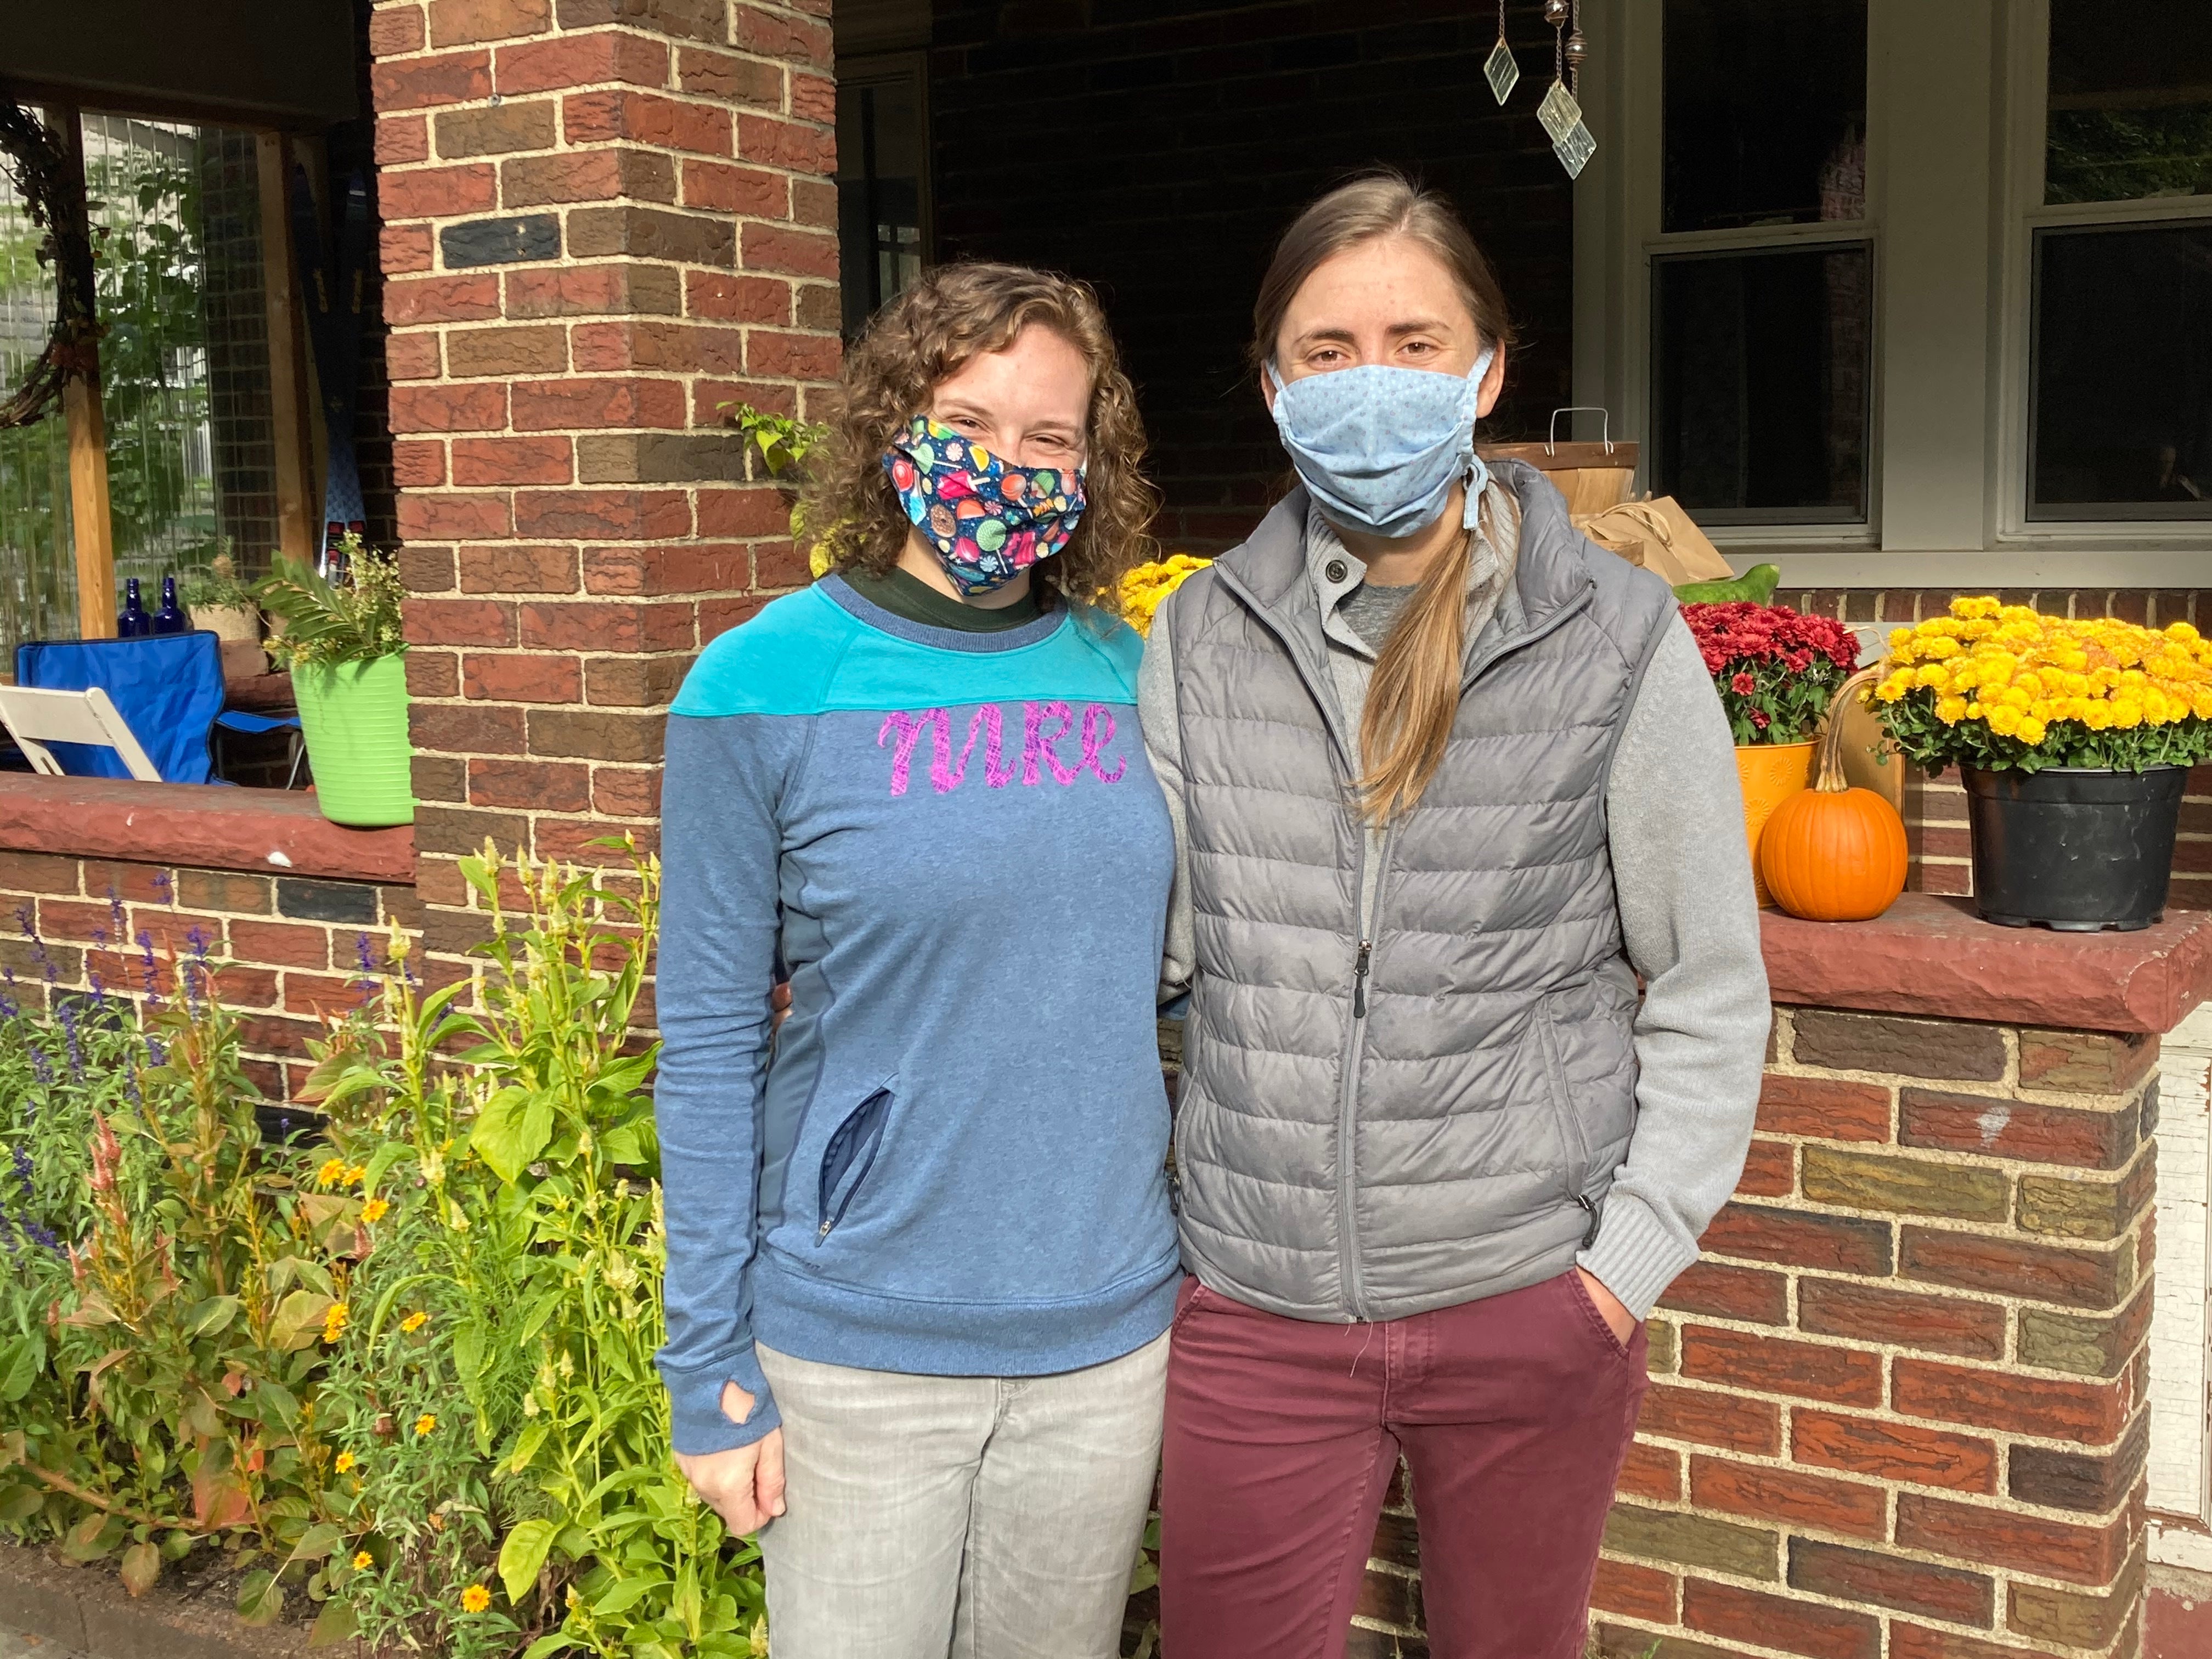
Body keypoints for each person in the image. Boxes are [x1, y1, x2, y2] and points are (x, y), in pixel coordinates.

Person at [1141, 172, 1770, 1659]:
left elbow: (1706, 979)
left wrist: (1620, 1270)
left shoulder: (1614, 636)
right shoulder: (1197, 636)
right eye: (1329, 349)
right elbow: (1142, 957)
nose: (1375, 382)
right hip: (1254, 1303)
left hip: (1525, 1298)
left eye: (1416, 343)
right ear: (1274, 386)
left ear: (1490, 371)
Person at [654, 262, 1178, 1659]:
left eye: (1049, 437)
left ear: (1092, 463)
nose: (1006, 464)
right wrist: (705, 1363)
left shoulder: (1140, 680)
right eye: (968, 418)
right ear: (896, 432)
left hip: (1104, 1338)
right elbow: (708, 1044)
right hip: (860, 1346)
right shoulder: (762, 686)